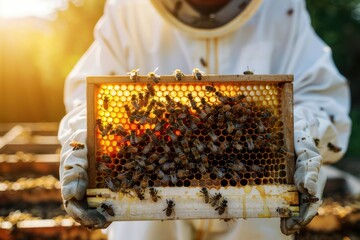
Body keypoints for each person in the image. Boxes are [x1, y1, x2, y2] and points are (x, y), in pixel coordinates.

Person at [58, 0, 352, 239]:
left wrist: (304, 127)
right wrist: (83, 135)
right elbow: (90, 103)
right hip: (147, 219)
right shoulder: (127, 10)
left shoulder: (282, 8)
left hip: (258, 221)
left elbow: (323, 98)